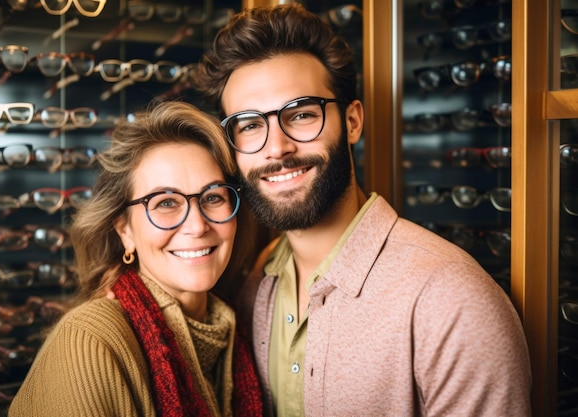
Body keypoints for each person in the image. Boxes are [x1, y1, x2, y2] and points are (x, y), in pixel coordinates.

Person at [194, 4, 532, 416]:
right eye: (249, 125)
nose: (276, 147)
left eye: (301, 115)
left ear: (352, 122)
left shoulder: (452, 301)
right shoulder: (255, 285)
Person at [8, 100, 263, 417]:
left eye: (212, 197)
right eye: (166, 203)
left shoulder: (232, 328)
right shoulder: (88, 342)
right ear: (125, 230)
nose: (197, 226)